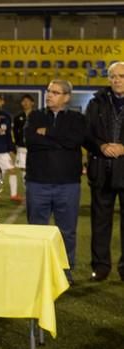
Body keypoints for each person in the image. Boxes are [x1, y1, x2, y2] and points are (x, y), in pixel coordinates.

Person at [24, 79, 86, 284]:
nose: (49, 95)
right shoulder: (36, 115)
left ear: (66, 97)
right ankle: (36, 269)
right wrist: (60, 141)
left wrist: (48, 133)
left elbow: (75, 140)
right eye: (49, 91)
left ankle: (65, 271)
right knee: (36, 230)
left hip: (68, 184)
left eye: (55, 92)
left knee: (66, 231)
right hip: (37, 182)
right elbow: (30, 140)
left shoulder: (77, 118)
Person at [84, 61, 124, 282]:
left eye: (121, 76)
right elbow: (86, 133)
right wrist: (101, 146)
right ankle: (100, 267)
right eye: (113, 76)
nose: (117, 80)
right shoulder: (96, 103)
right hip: (101, 171)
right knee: (100, 222)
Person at [13, 94, 35, 183]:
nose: (25, 103)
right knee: (23, 169)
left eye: (27, 101)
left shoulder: (37, 116)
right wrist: (17, 144)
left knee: (34, 167)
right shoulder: (18, 117)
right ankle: (27, 190)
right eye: (23, 101)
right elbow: (15, 132)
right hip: (22, 147)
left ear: (32, 103)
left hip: (34, 147)